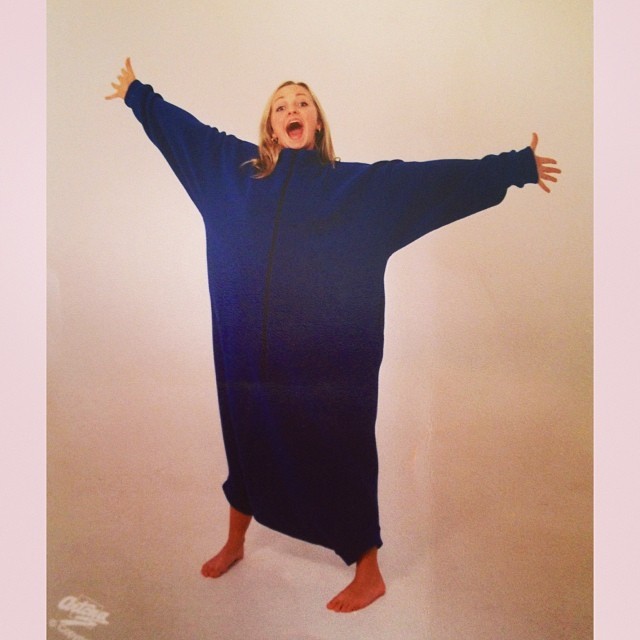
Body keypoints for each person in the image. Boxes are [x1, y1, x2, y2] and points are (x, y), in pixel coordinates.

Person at [106, 58, 560, 613]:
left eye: (302, 102)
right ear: (271, 126)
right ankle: (235, 542)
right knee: (244, 439)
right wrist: (138, 94)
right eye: (281, 106)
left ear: (316, 122)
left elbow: (427, 183)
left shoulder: (355, 190)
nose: (292, 109)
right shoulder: (235, 176)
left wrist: (513, 166)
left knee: (342, 451)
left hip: (325, 366)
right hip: (247, 356)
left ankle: (369, 571)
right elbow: (188, 136)